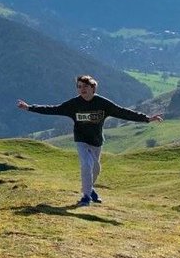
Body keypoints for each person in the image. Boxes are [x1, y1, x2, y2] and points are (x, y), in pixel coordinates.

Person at [17, 75, 163, 207]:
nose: (82, 89)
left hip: (96, 141)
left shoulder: (103, 104)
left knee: (96, 169)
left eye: (85, 87)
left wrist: (147, 119)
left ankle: (90, 189)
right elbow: (54, 109)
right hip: (81, 140)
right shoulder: (74, 104)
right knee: (86, 165)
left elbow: (122, 112)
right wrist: (29, 108)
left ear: (93, 88)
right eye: (79, 87)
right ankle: (86, 197)